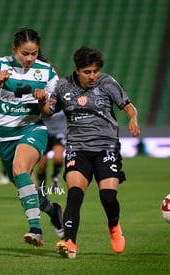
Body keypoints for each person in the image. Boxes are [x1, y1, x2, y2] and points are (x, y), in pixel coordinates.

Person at [34, 46, 140, 259]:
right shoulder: (63, 86)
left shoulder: (107, 82)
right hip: (77, 148)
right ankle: (70, 242)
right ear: (77, 70)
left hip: (106, 146)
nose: (93, 76)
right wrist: (42, 101)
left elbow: (128, 105)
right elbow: (48, 113)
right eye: (87, 72)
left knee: (108, 197)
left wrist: (132, 118)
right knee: (74, 194)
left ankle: (114, 226)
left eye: (95, 71)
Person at [0, 27, 64, 247]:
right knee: (26, 188)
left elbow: (49, 112)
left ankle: (35, 229)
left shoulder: (46, 72)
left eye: (34, 53)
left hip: (32, 130)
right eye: (24, 53)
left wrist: (42, 101)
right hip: (3, 137)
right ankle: (53, 211)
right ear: (14, 49)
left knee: (20, 169)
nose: (29, 58)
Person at [37, 111, 66, 194]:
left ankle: (55, 178)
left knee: (58, 158)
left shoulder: (62, 100)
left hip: (59, 133)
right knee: (41, 166)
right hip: (44, 134)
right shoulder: (42, 101)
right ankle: (42, 187)